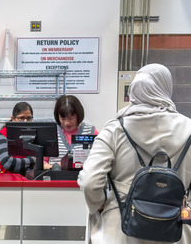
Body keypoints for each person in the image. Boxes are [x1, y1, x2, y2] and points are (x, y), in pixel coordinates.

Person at [78, 63, 191, 244]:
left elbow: (90, 181)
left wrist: (98, 204)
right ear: (166, 87)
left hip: (120, 228)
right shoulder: (189, 129)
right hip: (174, 229)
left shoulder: (115, 129)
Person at [0, 101, 51, 175]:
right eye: (21, 118)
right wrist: (34, 160)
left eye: (29, 118)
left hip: (24, 181)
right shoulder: (2, 136)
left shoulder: (33, 137)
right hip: (3, 181)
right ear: (13, 119)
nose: (25, 121)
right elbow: (8, 163)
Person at [51, 94, 97, 166]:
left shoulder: (91, 132)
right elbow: (42, 161)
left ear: (78, 115)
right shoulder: (52, 132)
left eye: (71, 118)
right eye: (63, 119)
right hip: (55, 175)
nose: (67, 123)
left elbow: (100, 157)